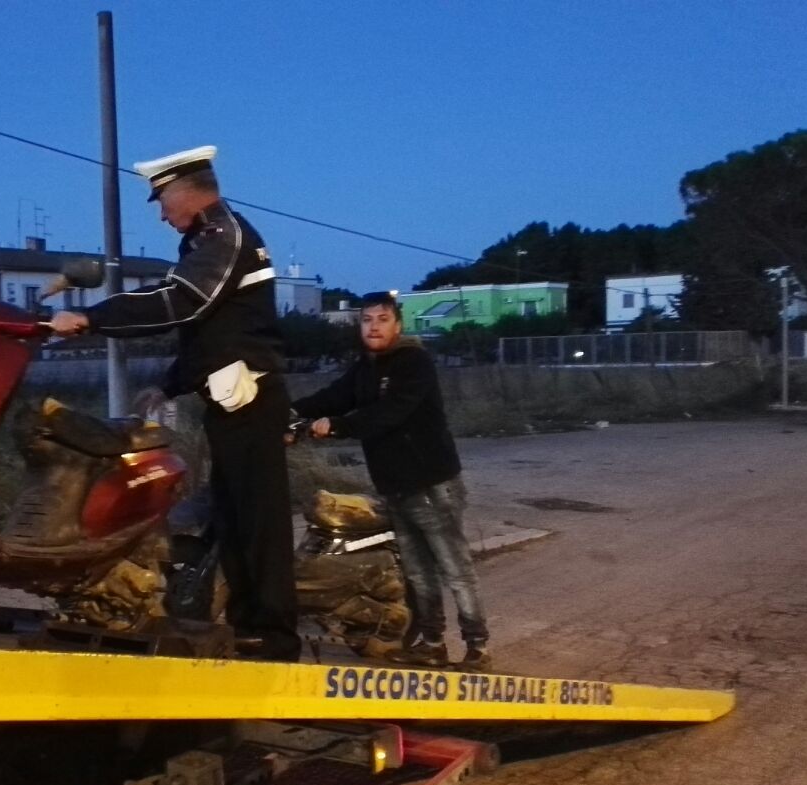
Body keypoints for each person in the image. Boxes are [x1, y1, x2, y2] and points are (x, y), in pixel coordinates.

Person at [46, 145, 299, 661]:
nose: (161, 214)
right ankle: (250, 625)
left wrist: (92, 319)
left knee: (259, 519)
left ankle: (275, 637)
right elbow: (212, 334)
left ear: (187, 191)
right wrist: (168, 385)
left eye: (162, 200)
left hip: (252, 402)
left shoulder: (223, 237)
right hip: (232, 402)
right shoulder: (206, 240)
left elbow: (181, 302)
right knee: (233, 516)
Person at [291, 291, 491, 671]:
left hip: (432, 484)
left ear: (397, 324)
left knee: (455, 569)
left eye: (382, 319)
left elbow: (390, 412)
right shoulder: (366, 367)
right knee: (417, 572)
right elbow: (334, 396)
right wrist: (288, 412)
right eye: (367, 320)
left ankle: (477, 647)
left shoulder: (413, 362)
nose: (374, 327)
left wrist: (337, 426)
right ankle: (432, 644)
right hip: (396, 486)